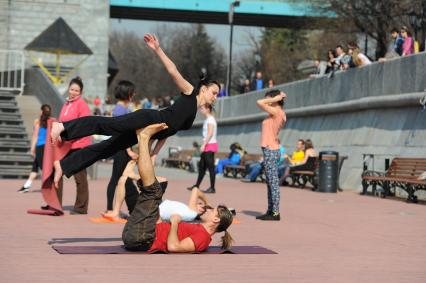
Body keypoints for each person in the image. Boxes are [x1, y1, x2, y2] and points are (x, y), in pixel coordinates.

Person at [50, 34, 220, 187]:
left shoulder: (191, 116)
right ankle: (63, 126)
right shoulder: (190, 92)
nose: (215, 97)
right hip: (147, 119)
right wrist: (158, 49)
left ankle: (64, 166)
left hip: (148, 133)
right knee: (107, 125)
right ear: (203, 89)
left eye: (217, 95)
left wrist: (154, 154)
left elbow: (168, 132)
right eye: (214, 92)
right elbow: (172, 70)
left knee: (107, 148)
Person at [122, 123, 234, 252]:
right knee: (153, 186)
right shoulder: (197, 228)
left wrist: (174, 222)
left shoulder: (203, 237)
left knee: (154, 190)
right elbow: (161, 230)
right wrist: (155, 212)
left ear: (215, 219)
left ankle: (144, 139)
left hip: (140, 238)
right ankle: (145, 142)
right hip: (139, 231)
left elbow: (173, 247)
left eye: (212, 211)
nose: (207, 210)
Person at [102, 159, 208, 222]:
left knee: (163, 180)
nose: (198, 203)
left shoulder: (192, 213)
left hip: (149, 208)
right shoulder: (188, 213)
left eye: (199, 204)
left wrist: (207, 204)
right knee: (123, 179)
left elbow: (195, 190)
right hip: (148, 204)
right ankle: (116, 212)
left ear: (201, 210)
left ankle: (133, 175)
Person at [57, 77, 92, 215]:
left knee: (80, 177)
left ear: (80, 92)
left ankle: (81, 207)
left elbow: (83, 126)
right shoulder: (66, 104)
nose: (73, 92)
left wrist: (69, 137)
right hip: (65, 144)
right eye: (72, 89)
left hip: (79, 145)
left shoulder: (82, 105)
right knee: (57, 171)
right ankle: (55, 203)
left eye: (76, 90)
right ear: (68, 89)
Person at [105, 80, 139, 216]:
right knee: (116, 179)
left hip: (123, 148)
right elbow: (122, 133)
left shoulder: (124, 109)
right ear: (128, 94)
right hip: (122, 150)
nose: (134, 94)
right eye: (132, 92)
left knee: (126, 179)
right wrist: (129, 151)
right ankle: (110, 209)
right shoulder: (120, 110)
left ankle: (133, 208)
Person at [255, 90, 286, 221]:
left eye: (269, 99)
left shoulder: (277, 111)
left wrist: (275, 98)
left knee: (273, 182)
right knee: (270, 182)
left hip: (271, 149)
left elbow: (259, 102)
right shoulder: (274, 113)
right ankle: (270, 210)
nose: (266, 101)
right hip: (270, 149)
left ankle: (275, 212)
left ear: (275, 100)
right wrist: (274, 99)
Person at [18, 104, 52, 193]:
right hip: (47, 147)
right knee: (35, 167)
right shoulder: (51, 121)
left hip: (40, 147)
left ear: (41, 111)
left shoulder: (38, 121)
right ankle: (26, 186)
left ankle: (49, 186)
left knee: (44, 168)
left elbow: (35, 136)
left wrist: (32, 149)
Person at [187, 104, 218, 193]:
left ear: (208, 109)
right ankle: (196, 186)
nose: (200, 110)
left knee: (210, 167)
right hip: (207, 145)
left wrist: (204, 144)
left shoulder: (210, 119)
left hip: (210, 145)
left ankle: (212, 188)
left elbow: (210, 133)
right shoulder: (208, 119)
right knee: (202, 166)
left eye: (202, 108)